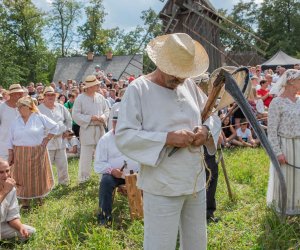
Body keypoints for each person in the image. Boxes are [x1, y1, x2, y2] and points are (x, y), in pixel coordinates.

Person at [115, 33, 221, 250]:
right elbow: (124, 136)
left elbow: (211, 115)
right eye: (176, 73)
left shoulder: (189, 85)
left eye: (184, 73)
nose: (181, 79)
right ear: (162, 64)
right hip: (162, 184)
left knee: (197, 243)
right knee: (160, 244)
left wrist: (206, 131)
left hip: (195, 180)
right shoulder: (139, 89)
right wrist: (166, 138)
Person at [8, 96, 59, 208]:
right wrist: (10, 154)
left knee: (37, 176)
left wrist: (46, 139)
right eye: (18, 107)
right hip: (20, 153)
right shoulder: (16, 121)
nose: (19, 109)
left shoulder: (39, 117)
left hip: (37, 152)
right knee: (21, 176)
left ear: (29, 107)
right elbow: (10, 139)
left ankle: (39, 198)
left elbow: (55, 127)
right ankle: (24, 202)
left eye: (22, 107)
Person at [94, 112, 139, 225]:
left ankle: (148, 215)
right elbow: (99, 163)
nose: (117, 125)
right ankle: (104, 218)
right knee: (106, 182)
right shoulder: (105, 140)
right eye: (115, 122)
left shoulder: (135, 136)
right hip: (116, 175)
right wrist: (112, 171)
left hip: (138, 173)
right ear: (112, 123)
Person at [267, 69, 300, 215]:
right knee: (286, 179)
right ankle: (284, 209)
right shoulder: (277, 102)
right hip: (285, 146)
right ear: (291, 82)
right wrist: (278, 152)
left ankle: (297, 207)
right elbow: (271, 131)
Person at [72, 75, 109, 183]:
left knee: (101, 153)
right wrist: (90, 118)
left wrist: (102, 118)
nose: (98, 85)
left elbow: (106, 110)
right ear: (89, 87)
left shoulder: (100, 97)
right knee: (86, 154)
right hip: (87, 128)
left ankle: (102, 176)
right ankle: (84, 178)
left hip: (100, 128)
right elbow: (75, 115)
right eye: (95, 84)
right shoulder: (80, 98)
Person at [39, 87, 72, 186]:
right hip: (46, 140)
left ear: (55, 96)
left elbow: (69, 119)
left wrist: (68, 131)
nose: (50, 97)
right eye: (48, 95)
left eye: (52, 95)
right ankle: (47, 184)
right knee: (46, 164)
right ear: (44, 97)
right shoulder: (39, 109)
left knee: (63, 163)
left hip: (60, 139)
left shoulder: (61, 107)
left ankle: (64, 182)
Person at [0, 158, 36, 240]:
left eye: (7, 171)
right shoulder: (7, 189)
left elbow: (12, 216)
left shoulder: (11, 189)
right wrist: (4, 191)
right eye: (1, 172)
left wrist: (20, 227)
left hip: (2, 225)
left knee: (30, 232)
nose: (5, 176)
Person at [0, 84, 24, 160]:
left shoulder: (24, 107)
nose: (21, 95)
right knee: (5, 170)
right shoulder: (2, 108)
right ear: (12, 94)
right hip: (4, 146)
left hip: (21, 146)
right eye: (18, 93)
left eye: (21, 93)